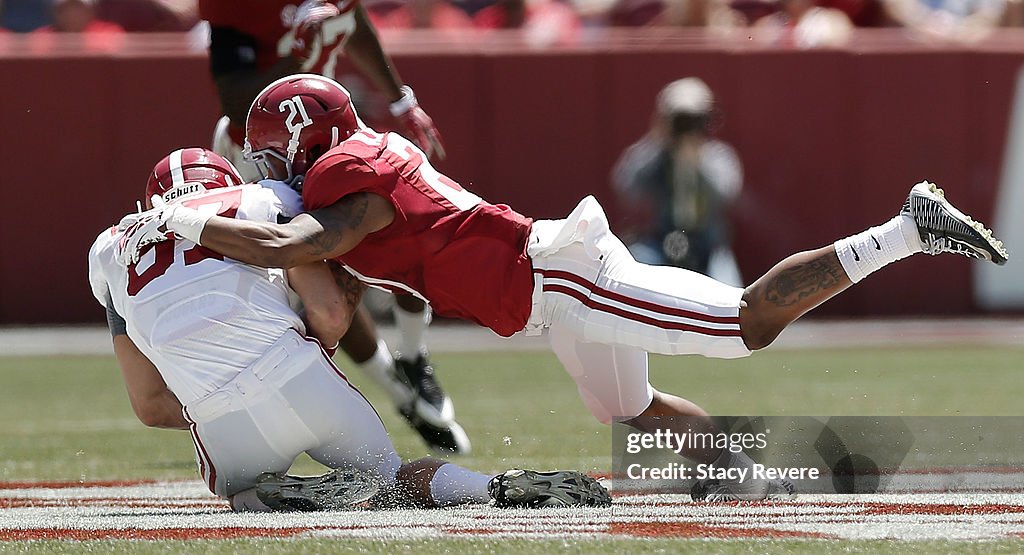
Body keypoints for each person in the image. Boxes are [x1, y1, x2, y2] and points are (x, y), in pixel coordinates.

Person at [115, 76, 1009, 502]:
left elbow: (294, 243)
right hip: (550, 296)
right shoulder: (357, 160)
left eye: (275, 154)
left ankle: (902, 229)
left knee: (743, 325)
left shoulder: (343, 178)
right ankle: (753, 481)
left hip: (568, 278)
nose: (271, 171)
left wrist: (188, 221)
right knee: (633, 411)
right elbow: (341, 276)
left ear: (305, 141)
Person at [89, 147, 611, 512]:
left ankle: (258, 494)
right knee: (394, 481)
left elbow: (150, 405)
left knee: (238, 491)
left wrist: (219, 400)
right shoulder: (262, 199)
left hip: (215, 417)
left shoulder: (108, 249)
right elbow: (332, 316)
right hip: (298, 375)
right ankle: (491, 489)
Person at [198, 0, 468, 455]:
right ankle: (396, 389)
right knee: (315, 276)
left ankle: (413, 358)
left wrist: (400, 98)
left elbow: (353, 22)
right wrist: (301, 56)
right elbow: (236, 101)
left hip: (330, 134)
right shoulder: (238, 9)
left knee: (406, 220)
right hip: (263, 149)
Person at [612, 77, 743, 284]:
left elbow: (727, 194)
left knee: (732, 293)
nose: (686, 127)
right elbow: (626, 187)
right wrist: (657, 139)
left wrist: (697, 160)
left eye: (693, 120)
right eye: (680, 120)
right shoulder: (655, 156)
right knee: (631, 275)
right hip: (661, 244)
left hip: (708, 249)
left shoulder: (717, 157)